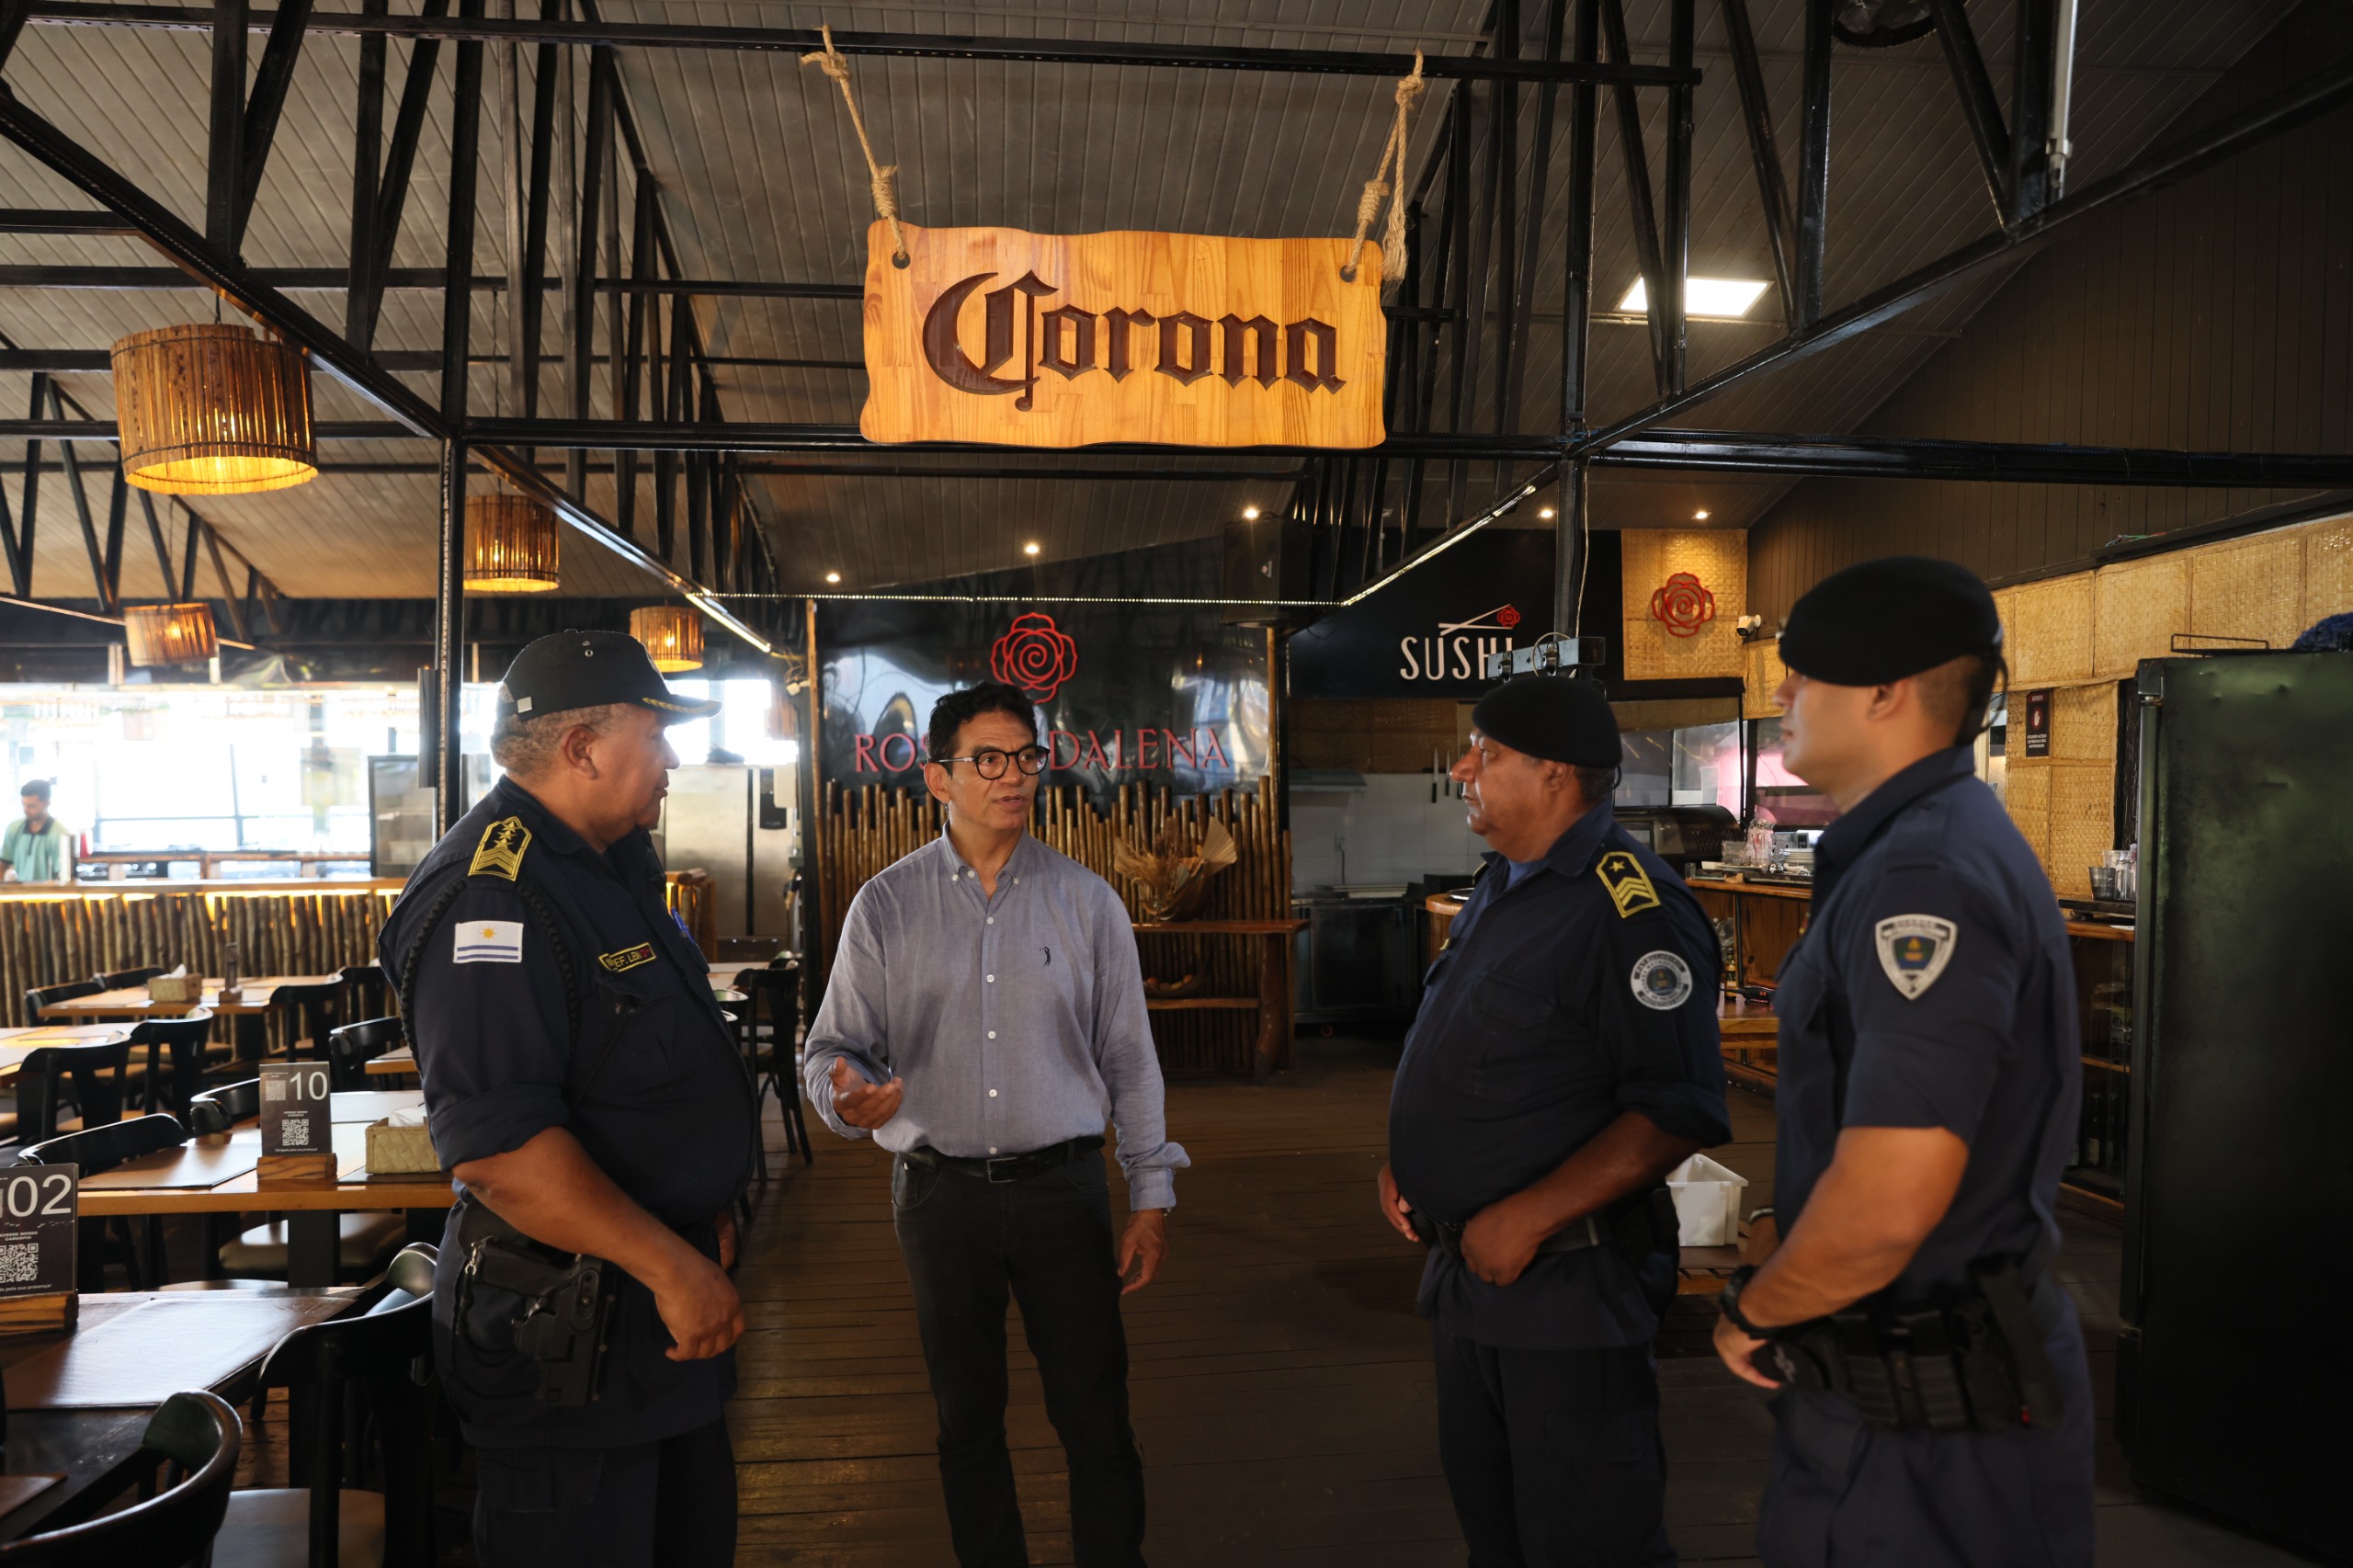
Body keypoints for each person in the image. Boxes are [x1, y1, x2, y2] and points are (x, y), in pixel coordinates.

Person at [1710, 556, 2094, 1567]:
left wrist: (1755, 1309)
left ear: (1884, 689)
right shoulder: (1913, 847)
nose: (1781, 694)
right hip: (1893, 1398)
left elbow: (1888, 1203)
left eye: (1802, 672)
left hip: (1928, 1430)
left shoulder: (1922, 872)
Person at [377, 631, 755, 1568]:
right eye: (656, 735)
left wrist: (699, 1212)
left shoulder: (608, 863)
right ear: (583, 748)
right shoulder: (493, 896)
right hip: (570, 1335)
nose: (673, 760)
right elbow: (501, 1153)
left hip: (650, 1324)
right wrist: (674, 1268)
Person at [802, 679, 1188, 1568]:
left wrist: (1151, 1194)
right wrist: (845, 1097)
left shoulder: (1087, 902)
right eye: (988, 759)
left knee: (1096, 1414)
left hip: (1064, 1189)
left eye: (1026, 756)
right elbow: (831, 1049)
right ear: (938, 777)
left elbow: (1130, 1059)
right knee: (965, 1417)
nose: (1013, 775)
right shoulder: (886, 905)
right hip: (938, 1196)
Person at [1381, 673, 1732, 1567]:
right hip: (1470, 1285)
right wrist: (1410, 1163)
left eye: (1487, 751)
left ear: (1555, 773)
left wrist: (1530, 1214)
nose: (1463, 768)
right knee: (1495, 1535)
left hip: (1567, 1292)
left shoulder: (1631, 909)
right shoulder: (1505, 884)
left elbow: (1676, 1105)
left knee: (1588, 1541)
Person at [0, 780, 73, 883]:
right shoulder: (13, 829)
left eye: (32, 806)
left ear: (47, 803)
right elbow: (3, 865)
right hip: (17, 891)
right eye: (24, 804)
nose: (25, 810)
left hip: (48, 892)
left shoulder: (59, 834)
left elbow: (62, 875)